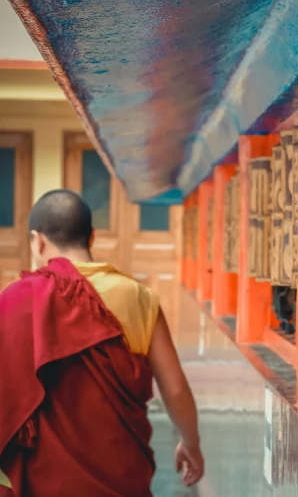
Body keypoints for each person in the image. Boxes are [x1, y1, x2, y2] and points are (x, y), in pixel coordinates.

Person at [0, 189, 204, 496]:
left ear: (37, 241)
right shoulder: (139, 297)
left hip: (46, 482)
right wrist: (191, 443)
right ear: (92, 237)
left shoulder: (15, 300)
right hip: (122, 478)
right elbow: (174, 389)